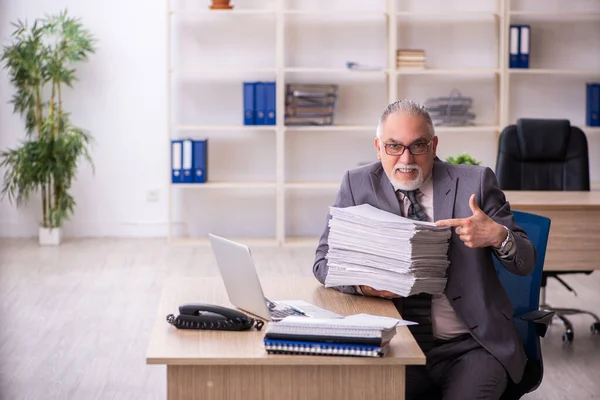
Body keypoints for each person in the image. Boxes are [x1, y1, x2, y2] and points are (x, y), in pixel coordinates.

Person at [312, 99, 537, 400]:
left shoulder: (475, 182)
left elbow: (525, 262)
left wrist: (499, 236)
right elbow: (323, 262)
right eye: (394, 146)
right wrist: (365, 287)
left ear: (433, 145)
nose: (406, 159)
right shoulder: (357, 184)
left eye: (417, 146)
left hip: (471, 345)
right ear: (378, 147)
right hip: (394, 344)